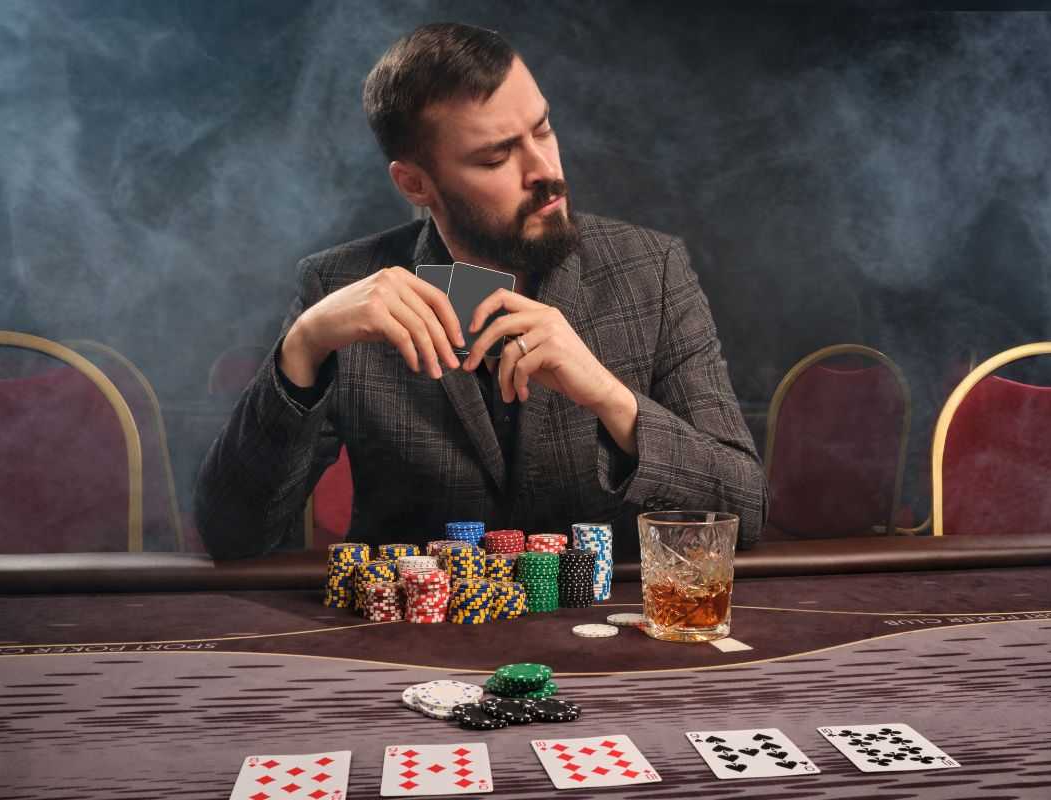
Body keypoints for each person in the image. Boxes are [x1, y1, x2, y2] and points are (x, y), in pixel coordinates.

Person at [195, 22, 766, 561]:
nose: (545, 169)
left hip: (605, 641)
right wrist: (303, 347)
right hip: (408, 651)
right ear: (415, 184)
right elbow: (232, 536)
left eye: (542, 129)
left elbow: (746, 509)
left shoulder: (652, 270)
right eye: (497, 156)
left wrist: (608, 397)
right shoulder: (337, 287)